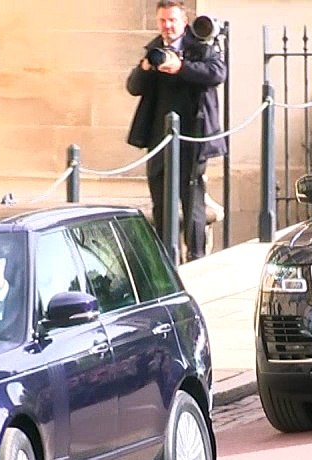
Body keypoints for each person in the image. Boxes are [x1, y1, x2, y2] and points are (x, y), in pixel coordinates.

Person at [126, 0, 226, 263]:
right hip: (159, 137)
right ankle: (165, 259)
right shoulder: (154, 50)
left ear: (184, 22)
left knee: (192, 201)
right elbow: (133, 87)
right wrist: (146, 67)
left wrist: (181, 68)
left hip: (192, 137)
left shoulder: (200, 47)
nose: (167, 26)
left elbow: (217, 73)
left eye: (172, 20)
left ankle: (196, 257)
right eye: (163, 21)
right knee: (160, 200)